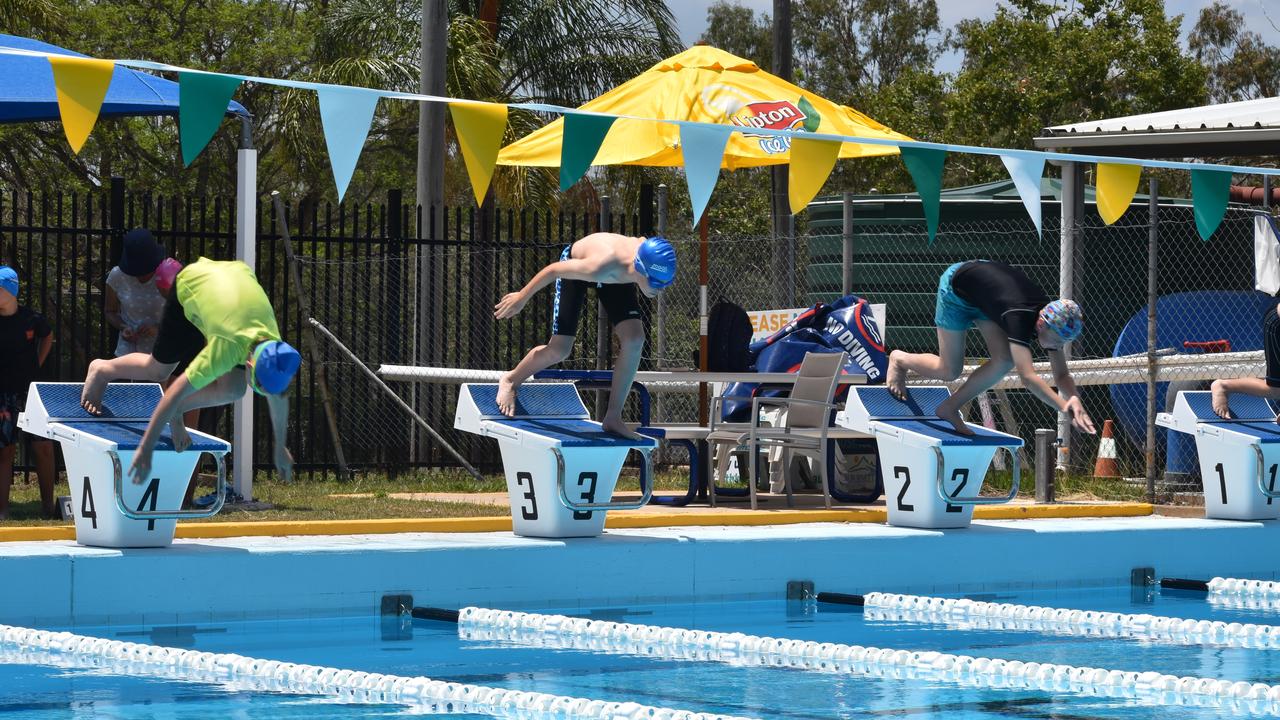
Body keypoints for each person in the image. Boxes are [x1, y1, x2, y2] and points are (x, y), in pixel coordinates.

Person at [80, 257, 301, 486]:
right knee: (159, 370)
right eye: (258, 386)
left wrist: (280, 444)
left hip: (230, 280)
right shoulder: (224, 350)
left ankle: (178, 411)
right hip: (191, 285)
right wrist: (146, 450)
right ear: (250, 365)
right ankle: (101, 369)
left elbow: (279, 394)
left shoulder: (274, 348)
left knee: (234, 390)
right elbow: (173, 391)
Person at [494, 233, 676, 438]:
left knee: (635, 339)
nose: (659, 290)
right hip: (580, 264)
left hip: (619, 276)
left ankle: (613, 417)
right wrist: (521, 297)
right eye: (655, 283)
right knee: (560, 349)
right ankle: (510, 380)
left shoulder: (646, 253)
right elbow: (553, 270)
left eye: (664, 284)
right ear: (641, 268)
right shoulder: (601, 265)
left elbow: (642, 239)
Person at [886, 259, 1096, 436]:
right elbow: (1028, 377)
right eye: (1057, 340)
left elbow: (1061, 375)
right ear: (1041, 323)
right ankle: (899, 359)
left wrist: (1074, 398)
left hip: (984, 295)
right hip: (956, 288)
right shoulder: (1019, 317)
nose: (1057, 346)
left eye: (1062, 342)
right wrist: (1064, 407)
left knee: (1004, 360)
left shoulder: (1052, 319)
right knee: (949, 370)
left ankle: (949, 407)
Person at [0, 266, 58, 520]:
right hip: (3, 393)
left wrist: (39, 363)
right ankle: (2, 509)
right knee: (5, 450)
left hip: (29, 392)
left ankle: (48, 505)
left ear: (11, 291)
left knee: (43, 447)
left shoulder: (31, 319)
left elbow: (48, 336)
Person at [1210, 304, 1280, 420]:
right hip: (1277, 323)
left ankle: (1224, 385)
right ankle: (1222, 386)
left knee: (1276, 390)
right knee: (1276, 388)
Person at [105, 228, 167, 357]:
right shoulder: (117, 275)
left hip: (162, 352)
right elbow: (109, 311)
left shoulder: (167, 274)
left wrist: (159, 329)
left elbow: (183, 314)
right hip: (128, 351)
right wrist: (123, 326)